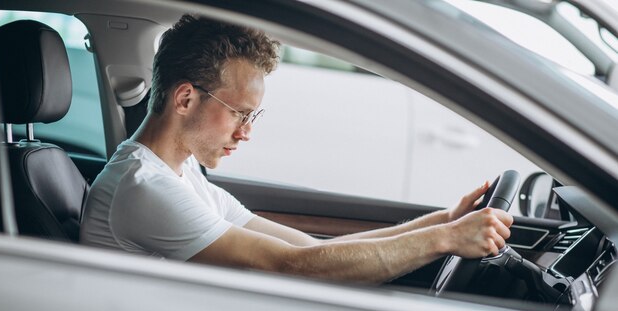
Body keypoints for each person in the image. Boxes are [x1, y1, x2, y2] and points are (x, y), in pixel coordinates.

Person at [80, 14, 513, 285]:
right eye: (239, 113)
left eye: (253, 117)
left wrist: (443, 222)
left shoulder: (181, 172)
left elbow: (308, 248)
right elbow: (292, 266)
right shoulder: (144, 189)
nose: (247, 132)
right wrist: (444, 239)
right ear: (186, 99)